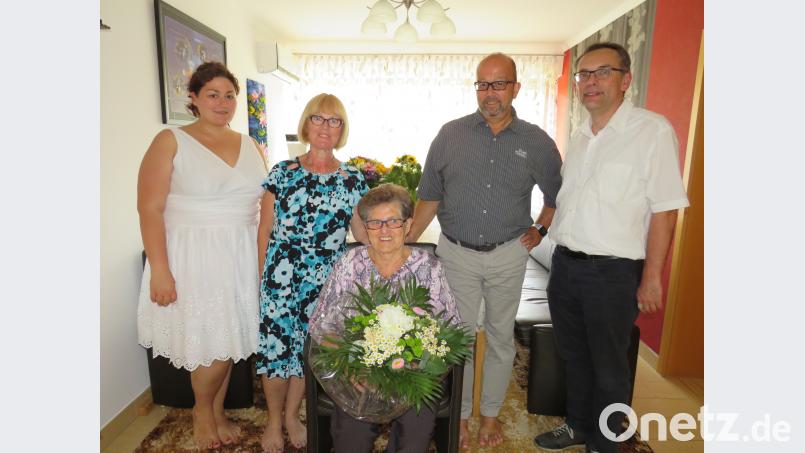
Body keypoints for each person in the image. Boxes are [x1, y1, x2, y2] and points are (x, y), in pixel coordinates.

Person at [533, 42, 690, 453]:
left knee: (609, 367)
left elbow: (666, 210)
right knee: (573, 356)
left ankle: (607, 444)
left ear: (626, 80)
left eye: (602, 72)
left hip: (613, 273)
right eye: (584, 74)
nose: (590, 82)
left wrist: (652, 276)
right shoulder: (582, 136)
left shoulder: (651, 131)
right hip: (565, 267)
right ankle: (579, 426)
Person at [407, 52, 563, 448]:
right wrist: (404, 243)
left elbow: (558, 194)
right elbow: (429, 197)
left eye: (498, 84)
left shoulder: (536, 142)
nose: (490, 93)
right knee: (458, 338)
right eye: (483, 84)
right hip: (456, 253)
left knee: (499, 337)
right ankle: (459, 416)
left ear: (515, 88)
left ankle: (490, 415)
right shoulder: (450, 135)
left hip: (508, 254)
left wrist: (541, 228)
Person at [136, 61, 266, 450]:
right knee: (209, 341)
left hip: (240, 255)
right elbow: (149, 209)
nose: (222, 102)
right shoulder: (170, 140)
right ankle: (201, 411)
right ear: (192, 98)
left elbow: (266, 209)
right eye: (213, 94)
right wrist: (160, 269)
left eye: (229, 96)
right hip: (194, 257)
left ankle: (217, 411)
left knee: (225, 343)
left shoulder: (252, 144)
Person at [309, 183, 463, 452]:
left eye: (393, 221)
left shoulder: (429, 268)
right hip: (357, 372)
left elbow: (448, 331)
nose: (384, 230)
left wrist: (414, 366)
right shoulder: (350, 264)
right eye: (375, 223)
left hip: (415, 372)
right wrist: (351, 368)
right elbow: (323, 325)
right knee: (350, 439)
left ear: (408, 225)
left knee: (414, 439)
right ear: (365, 227)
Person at [256, 93, 369, 453]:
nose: (325, 127)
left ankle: (292, 415)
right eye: (318, 119)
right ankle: (273, 420)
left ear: (342, 130)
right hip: (280, 277)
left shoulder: (352, 179)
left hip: (324, 282)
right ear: (306, 124)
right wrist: (261, 280)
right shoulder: (282, 172)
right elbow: (264, 230)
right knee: (276, 352)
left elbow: (362, 233)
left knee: (306, 353)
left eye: (333, 121)